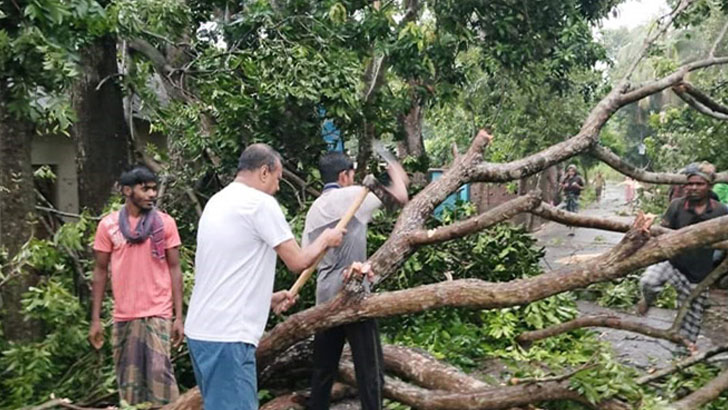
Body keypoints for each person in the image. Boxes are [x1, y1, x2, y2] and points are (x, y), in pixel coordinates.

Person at [184, 143, 345, 410]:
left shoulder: (218, 201)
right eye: (278, 179)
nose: (278, 187)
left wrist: (265, 299)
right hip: (228, 337)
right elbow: (298, 261)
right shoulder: (259, 204)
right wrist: (326, 239)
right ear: (263, 172)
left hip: (202, 333)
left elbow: (223, 272)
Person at [305, 151, 409, 410]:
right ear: (344, 176)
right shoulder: (350, 196)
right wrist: (396, 169)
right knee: (370, 371)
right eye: (351, 175)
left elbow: (307, 257)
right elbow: (400, 196)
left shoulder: (314, 209)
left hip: (324, 297)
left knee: (323, 372)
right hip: (352, 295)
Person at [89, 166, 184, 406]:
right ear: (127, 190)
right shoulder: (108, 225)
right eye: (145, 189)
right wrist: (96, 319)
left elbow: (174, 268)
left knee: (159, 375)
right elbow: (100, 271)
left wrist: (179, 317)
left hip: (158, 312)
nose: (152, 194)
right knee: (128, 382)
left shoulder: (165, 223)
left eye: (153, 189)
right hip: (124, 314)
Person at [637, 162, 728, 353]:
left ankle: (681, 360)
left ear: (709, 186)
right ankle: (647, 300)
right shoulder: (677, 206)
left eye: (699, 184)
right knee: (648, 281)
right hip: (673, 264)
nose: (693, 188)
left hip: (699, 275)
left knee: (691, 323)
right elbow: (662, 233)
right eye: (690, 184)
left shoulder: (721, 211)